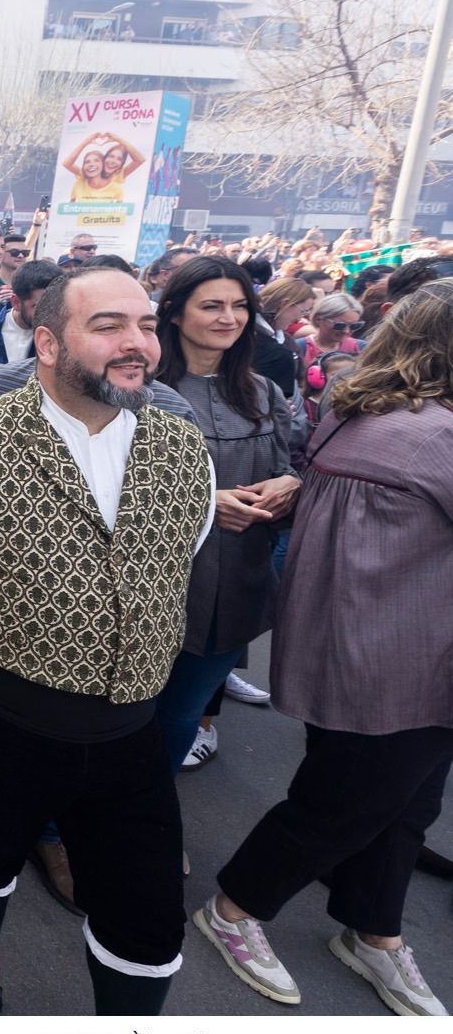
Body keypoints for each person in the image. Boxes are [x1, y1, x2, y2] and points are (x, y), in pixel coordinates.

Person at [0, 266, 215, 1016]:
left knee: (149, 920)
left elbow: (172, 558)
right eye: (109, 327)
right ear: (48, 343)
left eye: (146, 326)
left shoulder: (183, 447)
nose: (137, 345)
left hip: (131, 725)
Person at [196, 281, 453, 1017]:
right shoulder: (435, 435)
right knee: (348, 801)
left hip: (358, 644)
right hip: (399, 657)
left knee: (403, 800)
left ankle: (375, 929)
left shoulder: (356, 407)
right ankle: (235, 908)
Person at [148, 258, 298, 777]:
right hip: (154, 586)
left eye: (239, 306)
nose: (228, 318)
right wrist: (204, 500)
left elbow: (293, 465)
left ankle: (148, 823)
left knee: (182, 717)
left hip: (237, 583)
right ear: (174, 312)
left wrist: (291, 485)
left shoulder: (263, 392)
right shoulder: (136, 389)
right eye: (211, 305)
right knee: (121, 718)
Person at [0, 261, 61, 366]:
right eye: (40, 306)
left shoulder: (61, 334)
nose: (50, 313)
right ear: (16, 302)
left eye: (56, 305)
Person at [302, 292, 365, 369]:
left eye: (354, 326)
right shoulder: (300, 348)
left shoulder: (362, 348)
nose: (346, 331)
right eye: (340, 325)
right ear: (318, 319)